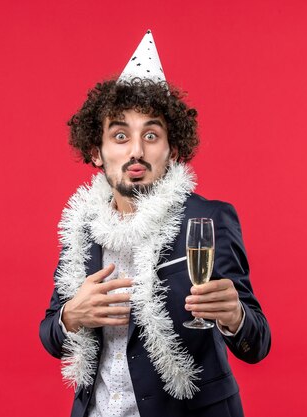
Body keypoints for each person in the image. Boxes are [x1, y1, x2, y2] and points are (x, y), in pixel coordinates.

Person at [39, 30, 271, 417]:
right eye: (119, 135)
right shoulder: (81, 228)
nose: (135, 150)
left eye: (151, 134)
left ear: (172, 149)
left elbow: (257, 343)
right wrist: (70, 317)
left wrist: (235, 317)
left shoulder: (209, 218)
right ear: (96, 152)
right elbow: (50, 334)